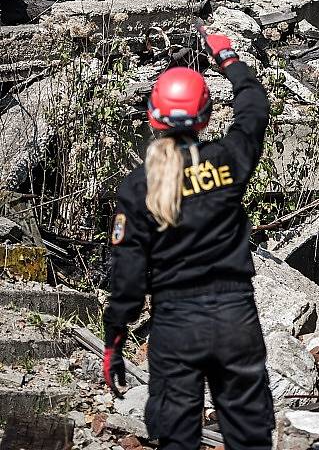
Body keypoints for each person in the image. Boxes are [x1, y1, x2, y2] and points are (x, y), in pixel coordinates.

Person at [102, 31, 274, 450]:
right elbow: (253, 107)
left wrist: (114, 340)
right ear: (206, 117)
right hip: (236, 317)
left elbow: (127, 278)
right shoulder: (229, 160)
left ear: (152, 116)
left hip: (175, 325)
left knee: (176, 437)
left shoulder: (139, 187)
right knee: (250, 437)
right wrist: (228, 59)